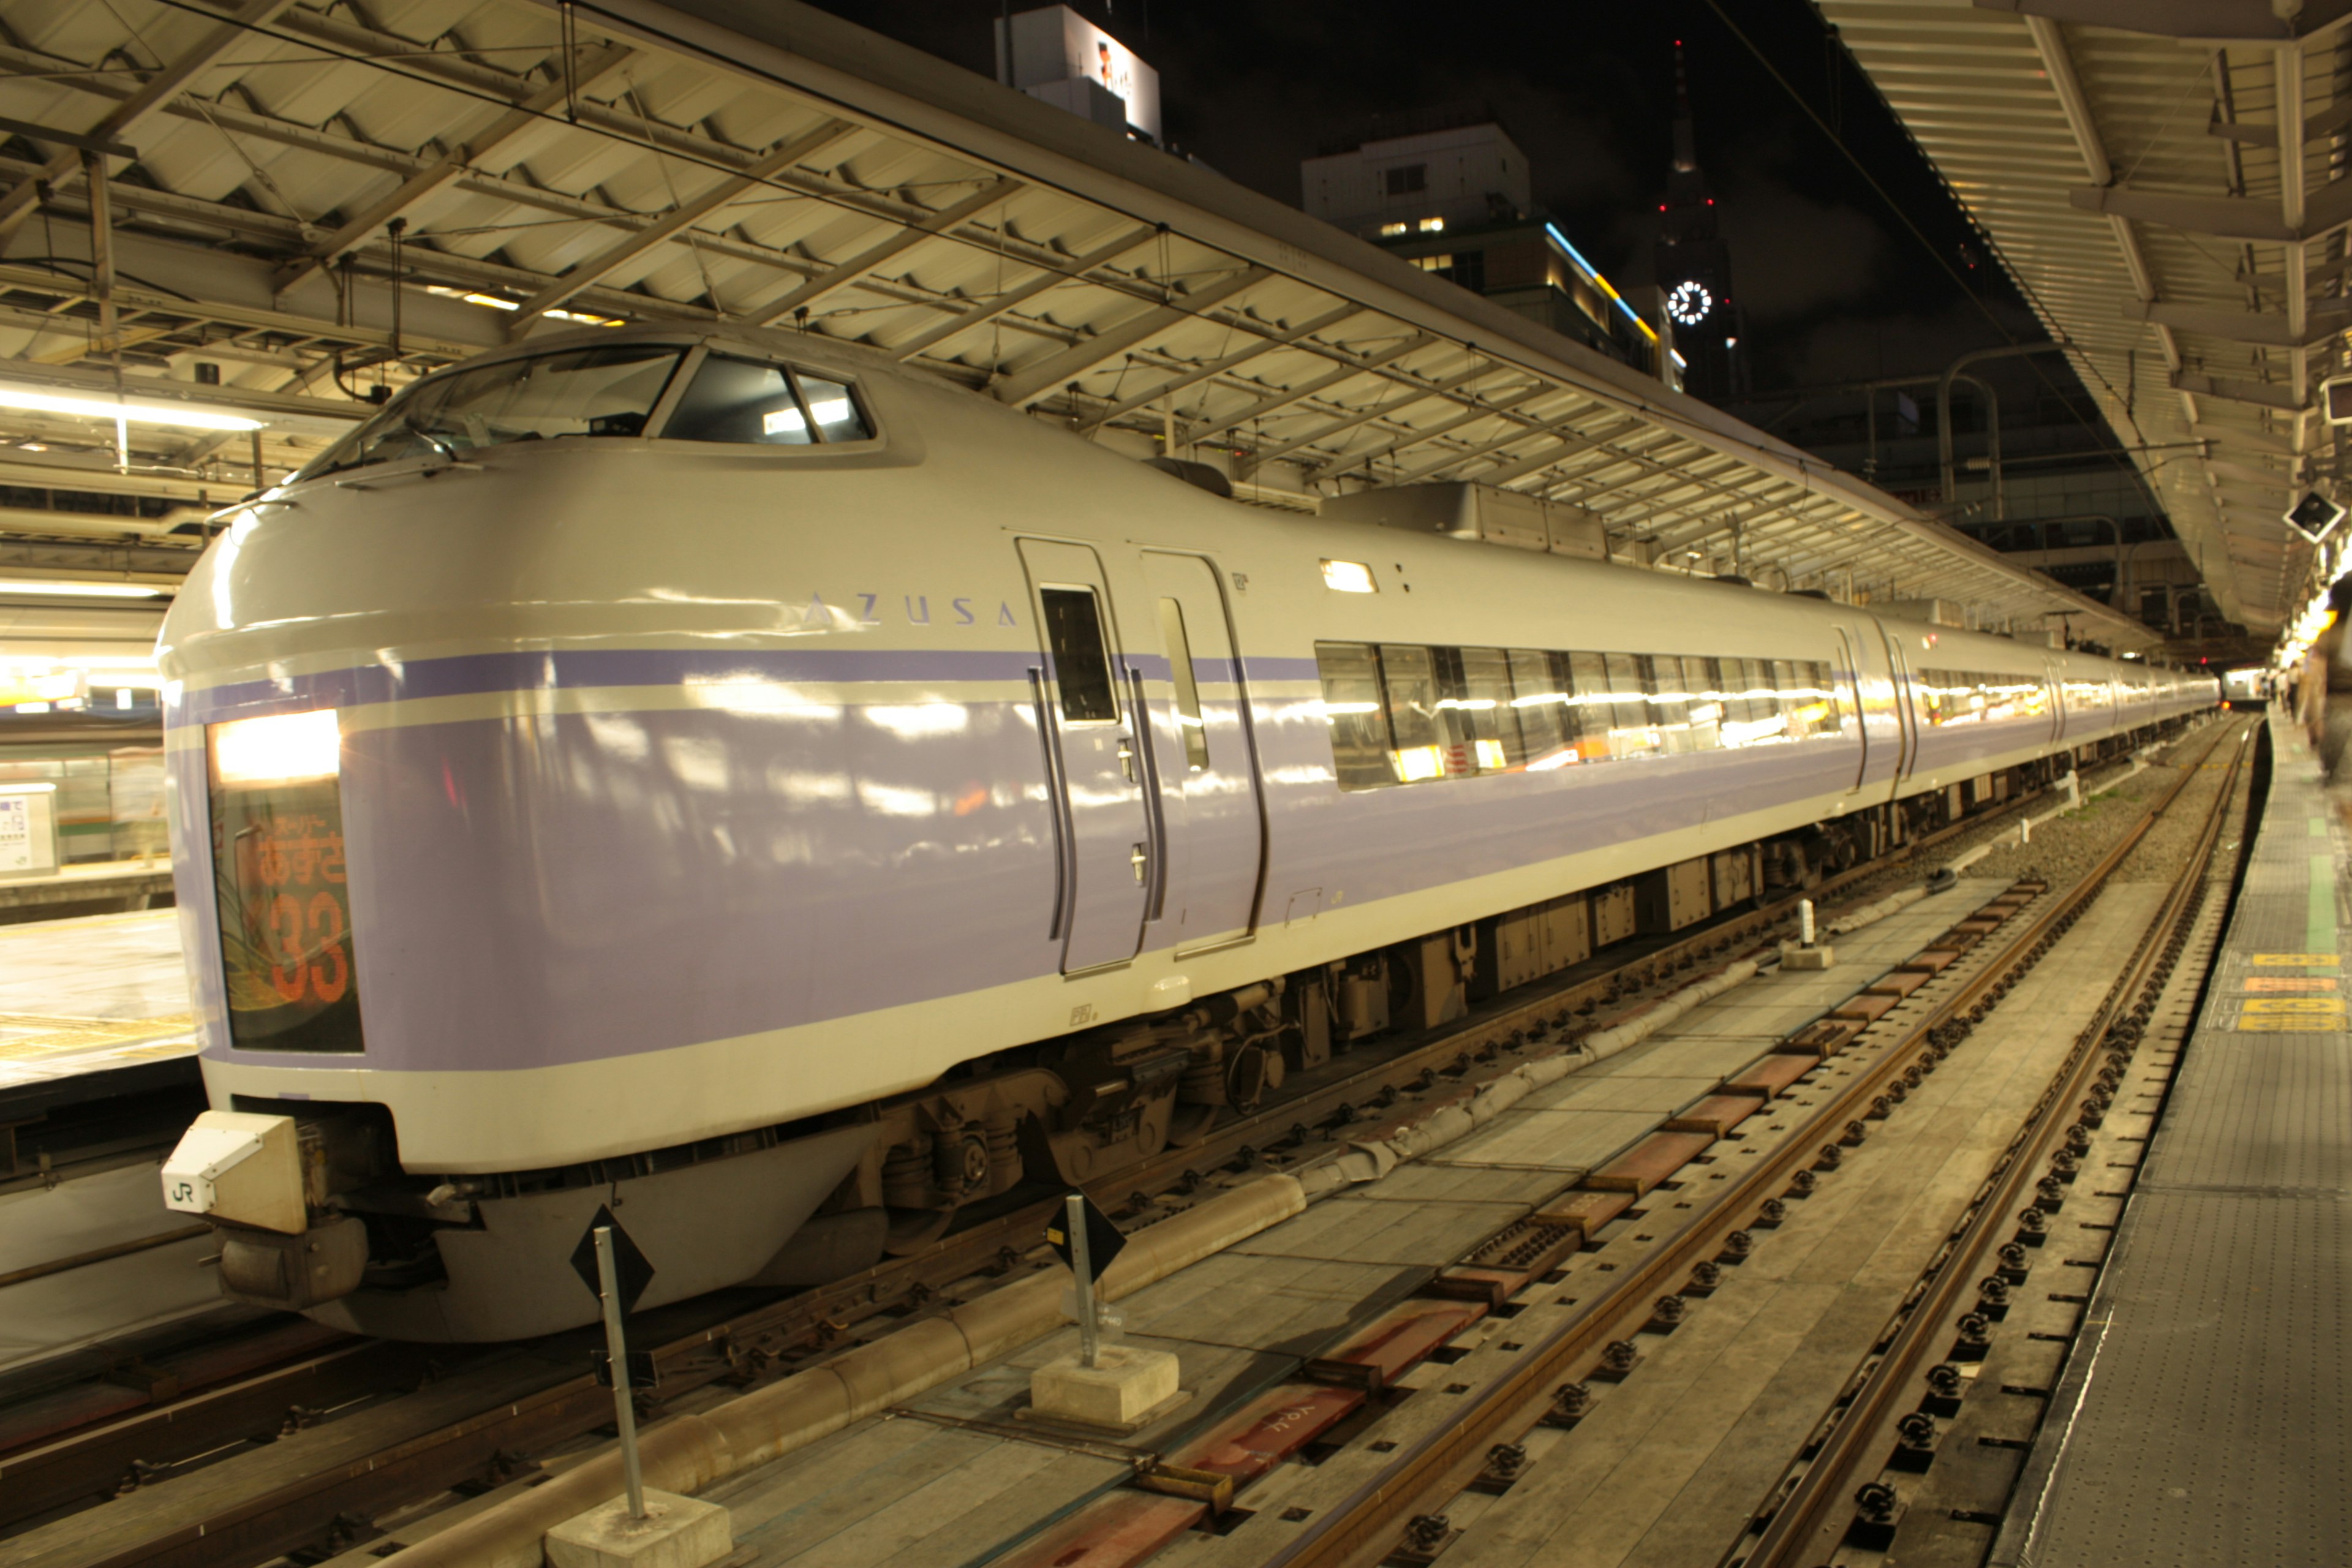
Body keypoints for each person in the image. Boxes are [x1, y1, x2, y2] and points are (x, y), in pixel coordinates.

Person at [2301, 576, 2352, 776]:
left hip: (2338, 715)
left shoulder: (2328, 638)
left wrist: (2313, 724)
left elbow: (2314, 685)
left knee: (2343, 788)